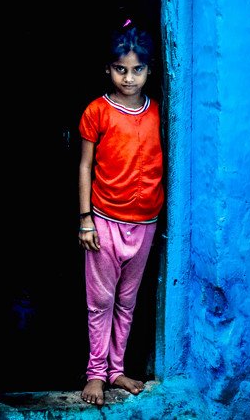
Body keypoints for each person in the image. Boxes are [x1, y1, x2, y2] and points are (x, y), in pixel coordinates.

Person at [77, 22, 164, 406]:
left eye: (138, 69)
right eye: (120, 69)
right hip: (105, 221)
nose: (129, 78)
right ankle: (95, 373)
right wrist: (85, 219)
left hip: (145, 222)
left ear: (149, 70)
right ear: (108, 69)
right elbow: (84, 166)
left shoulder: (156, 111)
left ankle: (116, 370)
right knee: (100, 302)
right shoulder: (97, 111)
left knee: (127, 301)